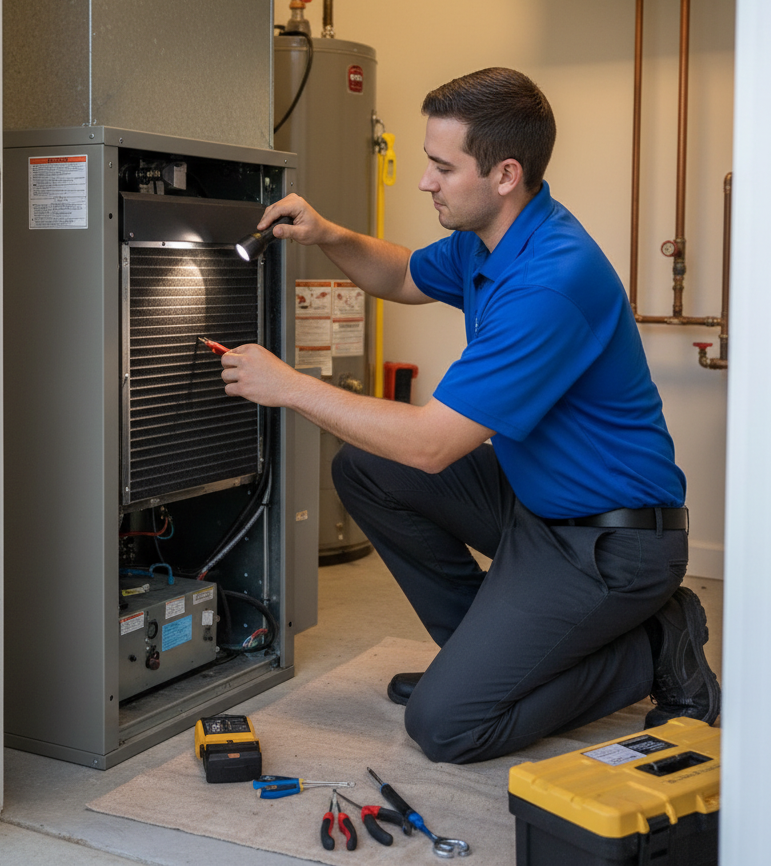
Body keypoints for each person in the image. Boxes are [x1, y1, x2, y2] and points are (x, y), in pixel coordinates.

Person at [220, 67, 720, 764]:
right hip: (535, 506)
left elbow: (432, 446)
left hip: (610, 545)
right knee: (365, 468)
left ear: (505, 173)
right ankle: (483, 662)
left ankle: (658, 643)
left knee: (447, 728)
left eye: (440, 167)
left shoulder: (550, 279)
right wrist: (327, 233)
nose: (426, 181)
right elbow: (398, 274)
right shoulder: (492, 237)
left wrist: (292, 386)